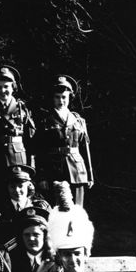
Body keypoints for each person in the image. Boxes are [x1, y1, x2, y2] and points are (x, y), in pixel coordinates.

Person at [31, 75, 93, 206]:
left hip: (77, 171)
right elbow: (39, 150)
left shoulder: (78, 120)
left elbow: (85, 149)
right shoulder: (45, 120)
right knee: (57, 212)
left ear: (70, 97)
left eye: (64, 97)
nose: (61, 101)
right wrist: (41, 177)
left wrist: (89, 175)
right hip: (54, 171)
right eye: (57, 97)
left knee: (76, 212)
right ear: (53, 98)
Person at [0, 64, 35, 206]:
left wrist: (31, 166)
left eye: (6, 87)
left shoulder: (22, 109)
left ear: (13, 88)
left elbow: (31, 141)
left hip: (17, 159)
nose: (2, 91)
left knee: (19, 197)